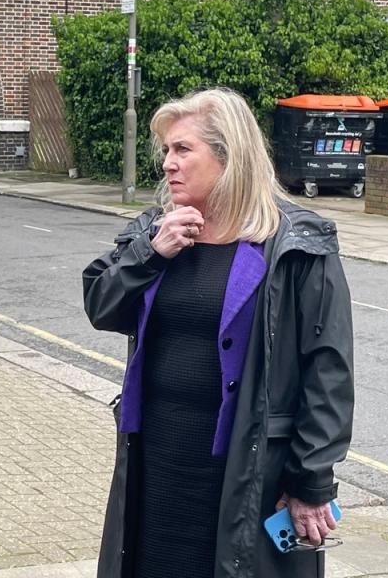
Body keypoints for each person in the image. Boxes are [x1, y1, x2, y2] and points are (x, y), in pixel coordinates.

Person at [83, 87, 354, 578]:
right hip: (158, 462)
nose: (168, 163)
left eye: (183, 149)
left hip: (247, 471)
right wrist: (151, 252)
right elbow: (101, 305)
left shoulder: (295, 245)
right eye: (166, 150)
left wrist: (311, 482)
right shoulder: (157, 229)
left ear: (230, 156)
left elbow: (328, 371)